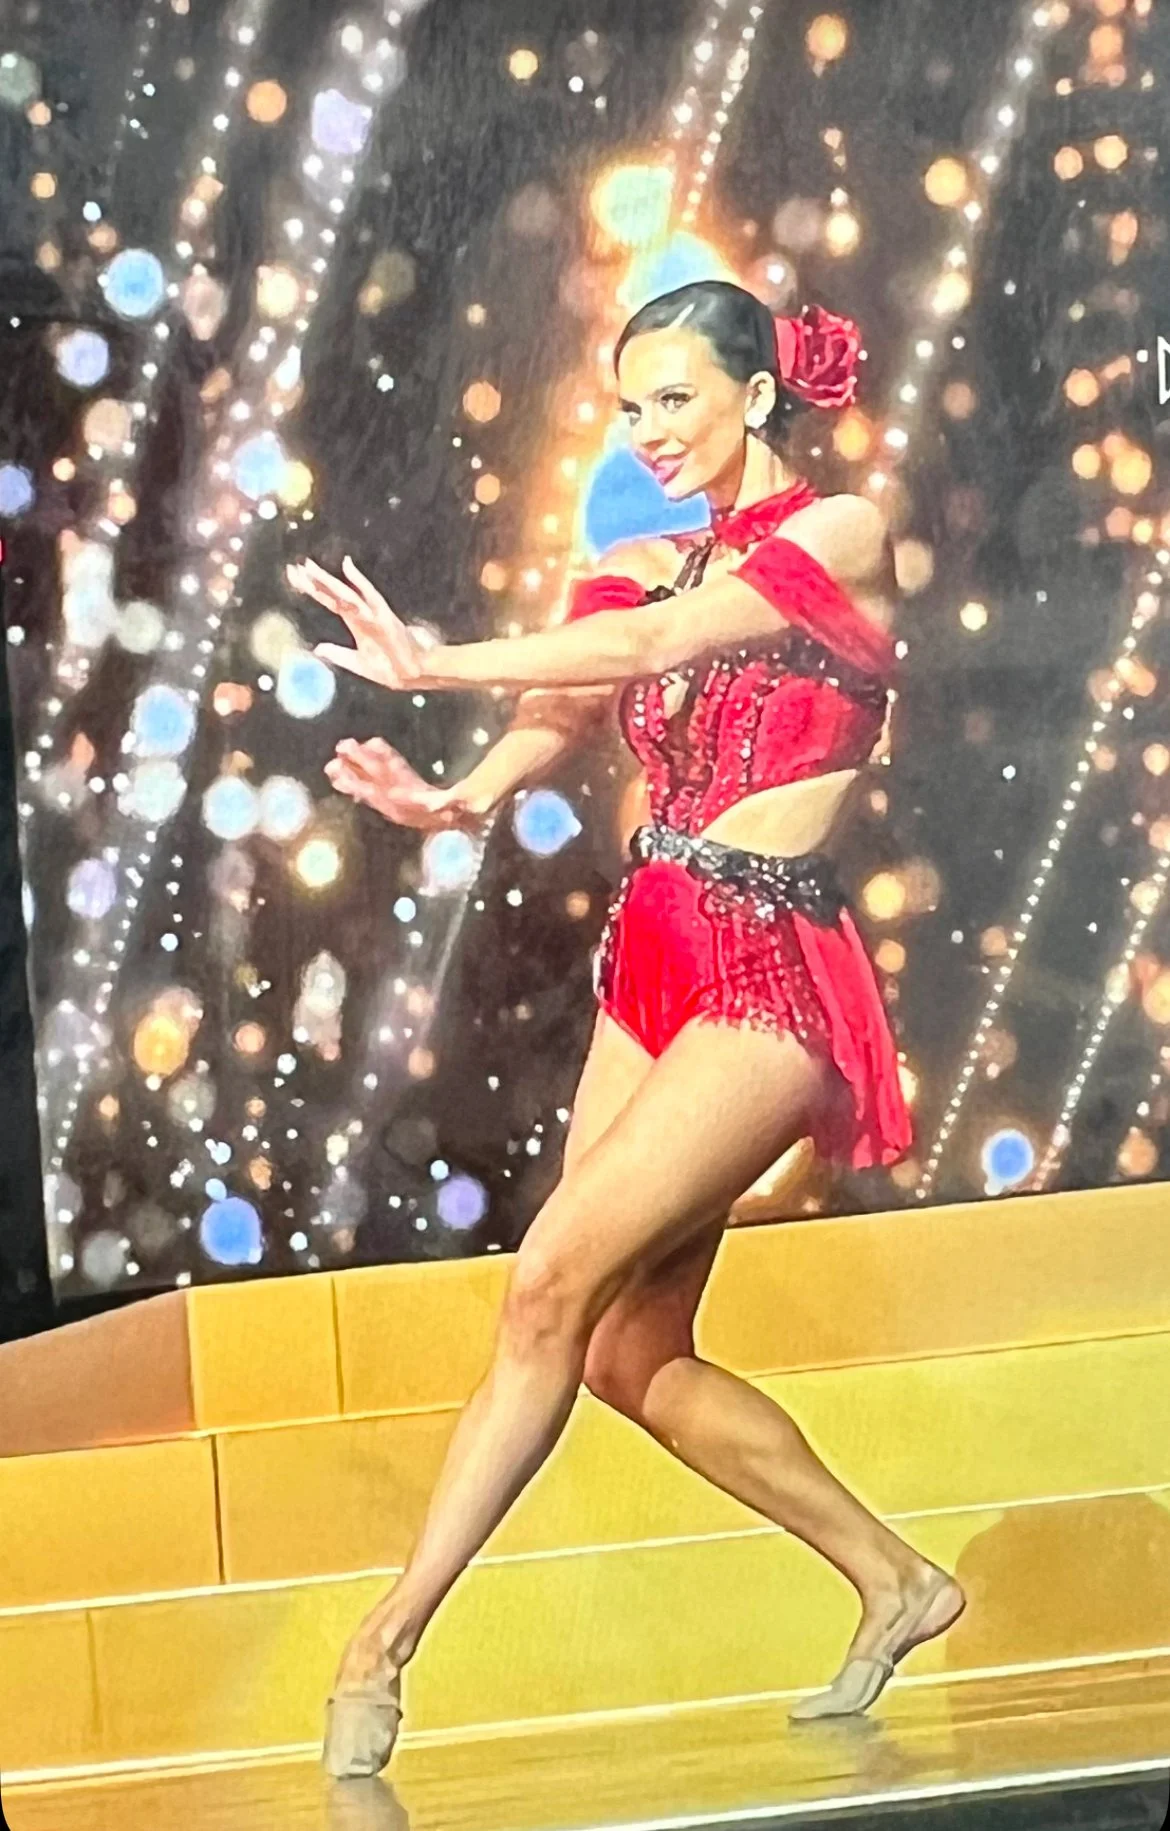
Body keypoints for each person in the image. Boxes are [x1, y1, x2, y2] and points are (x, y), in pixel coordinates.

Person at [288, 279, 965, 1781]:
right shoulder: (641, 557)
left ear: (755, 394)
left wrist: (435, 658)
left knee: (541, 1288)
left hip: (771, 965)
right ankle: (894, 1576)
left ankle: (384, 1642)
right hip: (654, 950)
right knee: (620, 1349)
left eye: (673, 397)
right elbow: (581, 699)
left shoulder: (838, 537)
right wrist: (455, 794)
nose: (649, 430)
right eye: (630, 404)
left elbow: (665, 650)